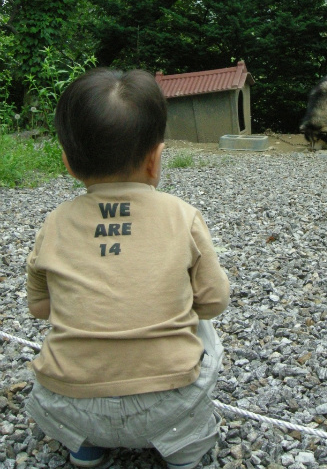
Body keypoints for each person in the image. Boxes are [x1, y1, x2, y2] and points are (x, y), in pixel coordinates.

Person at [26, 68, 230, 469]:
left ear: (68, 162)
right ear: (155, 159)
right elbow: (215, 302)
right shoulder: (182, 215)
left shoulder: (54, 223)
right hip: (170, 406)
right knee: (202, 326)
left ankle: (86, 450)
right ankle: (185, 455)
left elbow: (40, 309)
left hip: (69, 403)